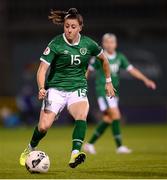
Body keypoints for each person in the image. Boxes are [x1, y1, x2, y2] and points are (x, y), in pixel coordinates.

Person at [19, 9, 115, 168]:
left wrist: (108, 81)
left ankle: (74, 154)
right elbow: (42, 69)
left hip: (77, 88)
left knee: (81, 115)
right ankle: (30, 148)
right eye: (66, 26)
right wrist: (41, 87)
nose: (69, 30)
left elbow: (104, 60)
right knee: (43, 126)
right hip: (55, 90)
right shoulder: (55, 44)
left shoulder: (88, 44)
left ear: (80, 28)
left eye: (73, 27)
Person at [84, 33, 156, 154]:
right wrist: (80, 84)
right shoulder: (99, 57)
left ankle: (89, 144)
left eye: (112, 42)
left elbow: (131, 70)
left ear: (116, 44)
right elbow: (88, 71)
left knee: (108, 119)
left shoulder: (120, 57)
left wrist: (146, 80)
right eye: (107, 42)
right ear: (103, 44)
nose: (109, 44)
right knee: (116, 115)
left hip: (114, 92)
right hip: (103, 91)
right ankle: (119, 147)